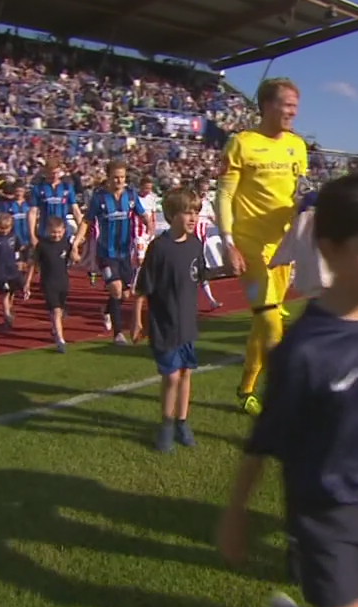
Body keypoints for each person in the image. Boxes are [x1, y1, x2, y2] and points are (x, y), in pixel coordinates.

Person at [217, 172, 358, 607]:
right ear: (330, 249)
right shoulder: (304, 350)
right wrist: (236, 513)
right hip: (323, 511)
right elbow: (264, 439)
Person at [216, 77, 309, 416]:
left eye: (296, 107)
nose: (293, 112)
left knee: (262, 321)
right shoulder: (241, 143)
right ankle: (284, 399)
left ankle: (246, 388)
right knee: (271, 323)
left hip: (283, 248)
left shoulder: (297, 146)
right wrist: (229, 242)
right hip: (250, 245)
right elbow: (224, 195)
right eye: (287, 105)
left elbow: (294, 194)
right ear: (267, 105)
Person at [130, 186, 207, 453]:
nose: (193, 217)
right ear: (172, 214)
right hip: (163, 324)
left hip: (187, 324)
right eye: (188, 212)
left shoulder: (196, 245)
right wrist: (137, 321)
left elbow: (199, 278)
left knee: (185, 374)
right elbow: (143, 288)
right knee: (171, 377)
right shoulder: (159, 248)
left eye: (196, 212)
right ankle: (166, 424)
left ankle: (182, 423)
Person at [87, 160, 151, 345]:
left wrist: (149, 223)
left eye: (122, 177)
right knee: (115, 290)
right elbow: (87, 220)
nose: (119, 181)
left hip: (125, 252)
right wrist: (77, 241)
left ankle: (107, 309)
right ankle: (118, 334)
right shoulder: (99, 198)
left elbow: (141, 213)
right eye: (115, 177)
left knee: (124, 295)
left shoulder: (130, 195)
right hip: (106, 252)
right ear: (108, 177)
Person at [28, 158, 88, 253]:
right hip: (45, 232)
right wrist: (32, 235)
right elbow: (33, 212)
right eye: (51, 173)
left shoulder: (67, 187)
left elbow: (75, 209)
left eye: (56, 173)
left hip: (63, 233)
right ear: (45, 172)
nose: (54, 176)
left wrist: (81, 232)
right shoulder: (38, 188)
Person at [32, 216, 73, 353]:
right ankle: (60, 340)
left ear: (63, 231)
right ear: (49, 231)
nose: (57, 235)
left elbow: (73, 258)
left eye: (59, 232)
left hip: (63, 282)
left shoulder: (66, 244)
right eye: (54, 232)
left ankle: (55, 329)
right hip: (48, 283)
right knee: (56, 311)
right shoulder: (42, 245)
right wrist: (27, 283)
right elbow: (34, 264)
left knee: (59, 311)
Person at [0, 213, 24, 331]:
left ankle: (9, 308)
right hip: (0, 270)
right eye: (2, 228)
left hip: (12, 269)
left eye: (6, 228)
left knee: (11, 292)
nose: (4, 231)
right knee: (4, 293)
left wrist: (20, 261)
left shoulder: (14, 237)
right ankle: (6, 315)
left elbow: (18, 250)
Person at [194, 177, 224, 310]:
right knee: (192, 271)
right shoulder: (191, 202)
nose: (204, 193)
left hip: (201, 242)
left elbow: (213, 218)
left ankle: (211, 300)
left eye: (205, 190)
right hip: (191, 241)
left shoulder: (206, 203)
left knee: (200, 271)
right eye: (202, 190)